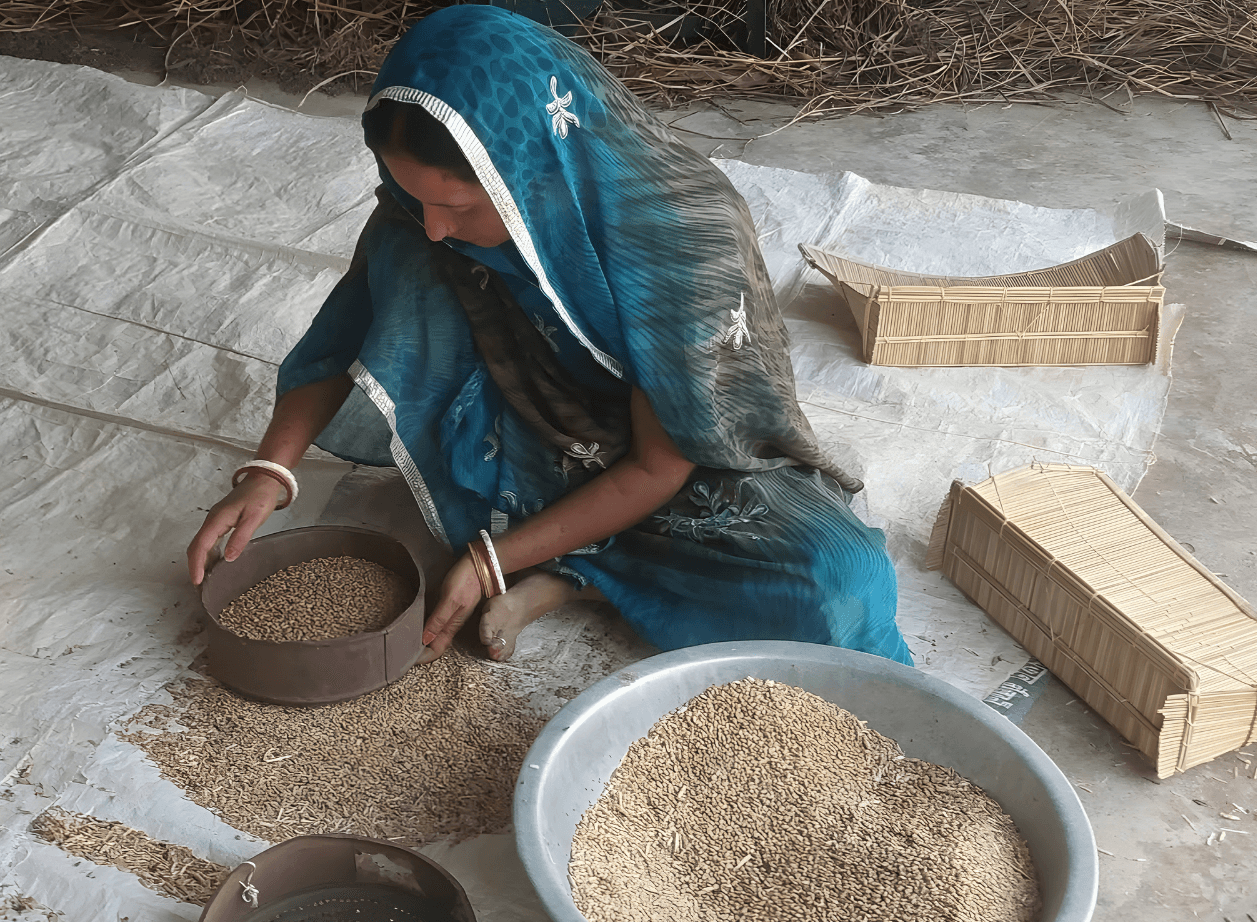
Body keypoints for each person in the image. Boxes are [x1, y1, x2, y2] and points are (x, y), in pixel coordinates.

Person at [187, 5, 913, 667]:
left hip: (679, 459)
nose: (436, 223)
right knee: (407, 254)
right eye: (415, 195)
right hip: (532, 441)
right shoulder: (428, 220)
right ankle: (566, 558)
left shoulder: (683, 238)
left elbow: (659, 468)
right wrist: (268, 474)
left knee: (838, 589)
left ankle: (571, 579)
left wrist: (487, 562)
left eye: (458, 204)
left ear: (531, 173)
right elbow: (344, 331)